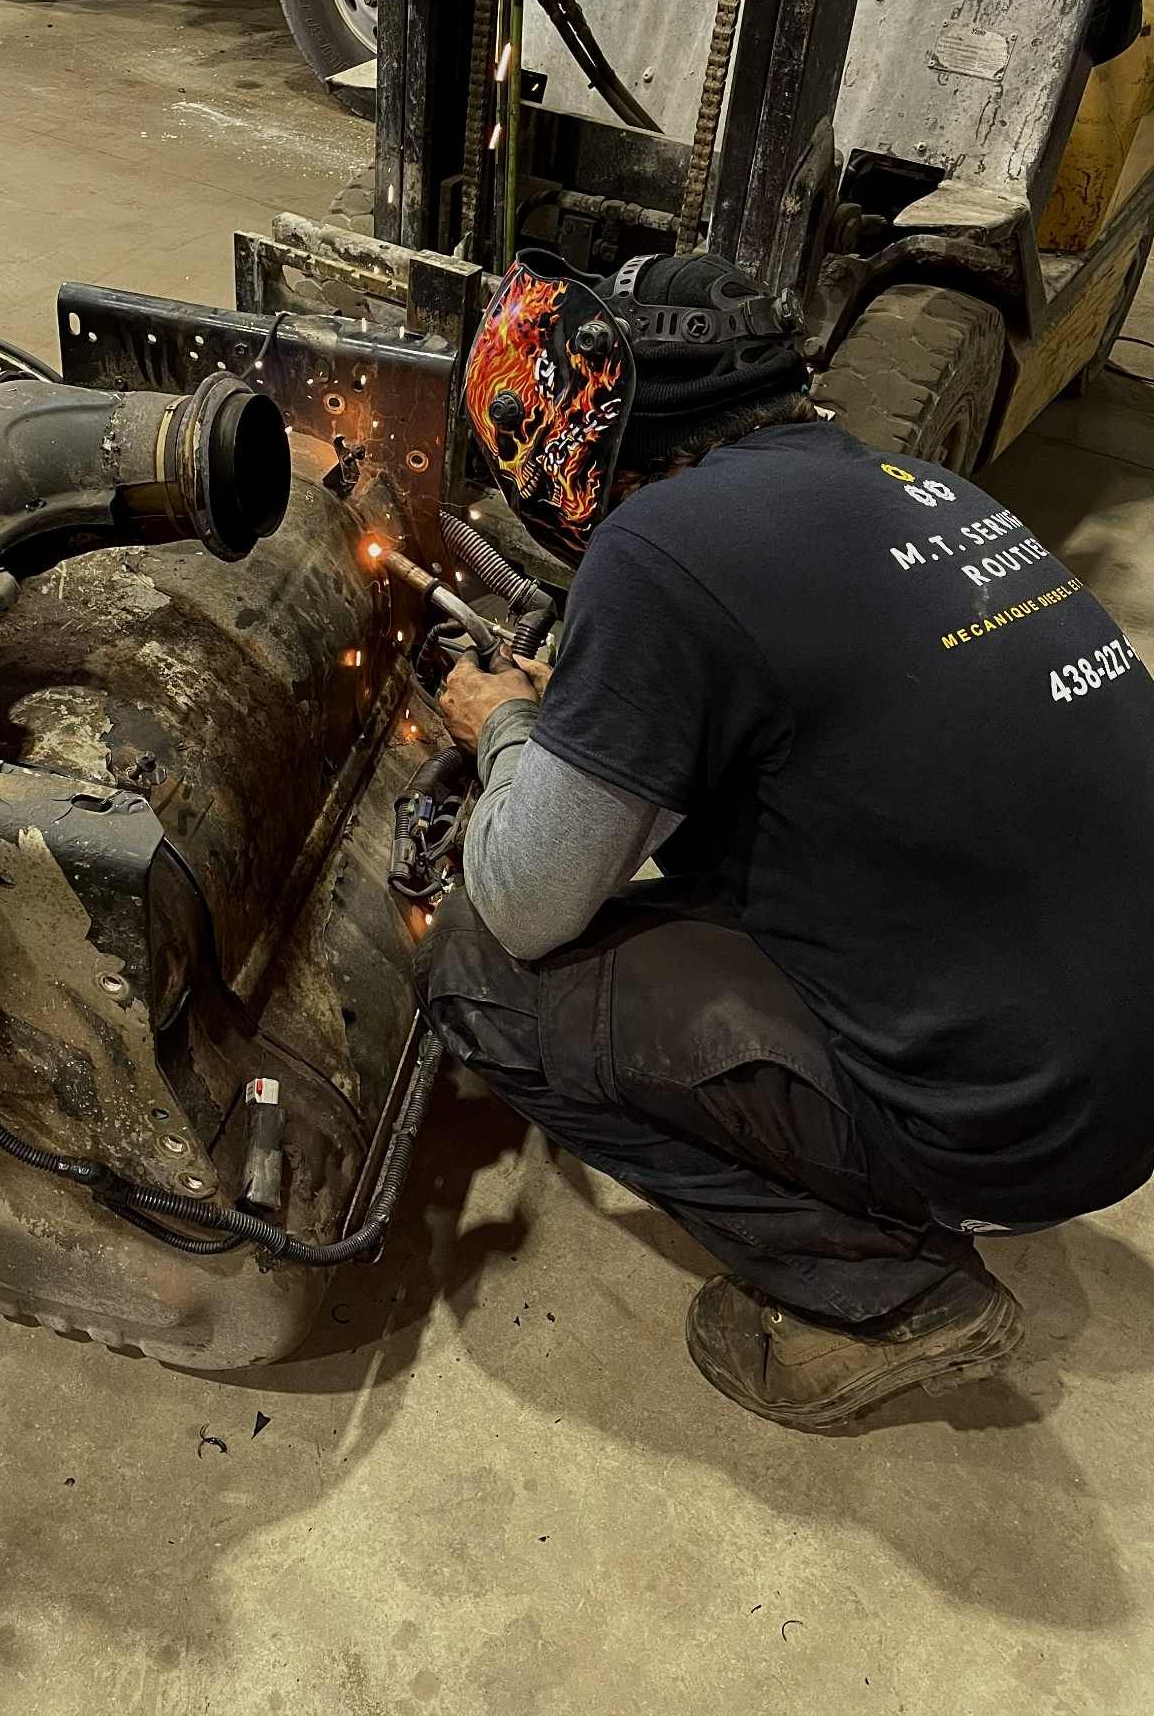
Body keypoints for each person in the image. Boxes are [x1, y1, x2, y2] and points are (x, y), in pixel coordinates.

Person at [416, 248, 1154, 1430]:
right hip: (1112, 1078)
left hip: (1016, 1130)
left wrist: (504, 726)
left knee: (477, 966)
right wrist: (606, 716)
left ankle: (890, 1291)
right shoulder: (914, 485)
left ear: (593, 419)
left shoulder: (657, 551)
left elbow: (522, 896)